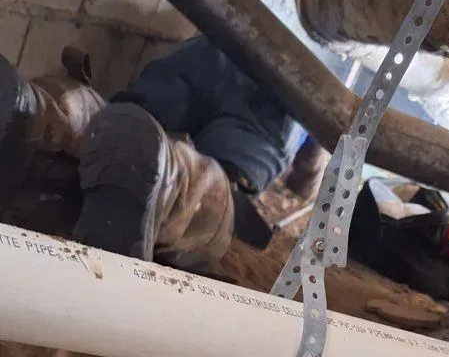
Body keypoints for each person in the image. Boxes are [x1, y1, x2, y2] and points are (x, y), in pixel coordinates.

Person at [0, 35, 327, 271]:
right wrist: (303, 184)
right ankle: (169, 174)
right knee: (208, 192)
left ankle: (43, 111)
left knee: (115, 119)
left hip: (203, 52)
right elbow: (311, 169)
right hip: (272, 99)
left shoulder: (239, 26)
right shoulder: (315, 79)